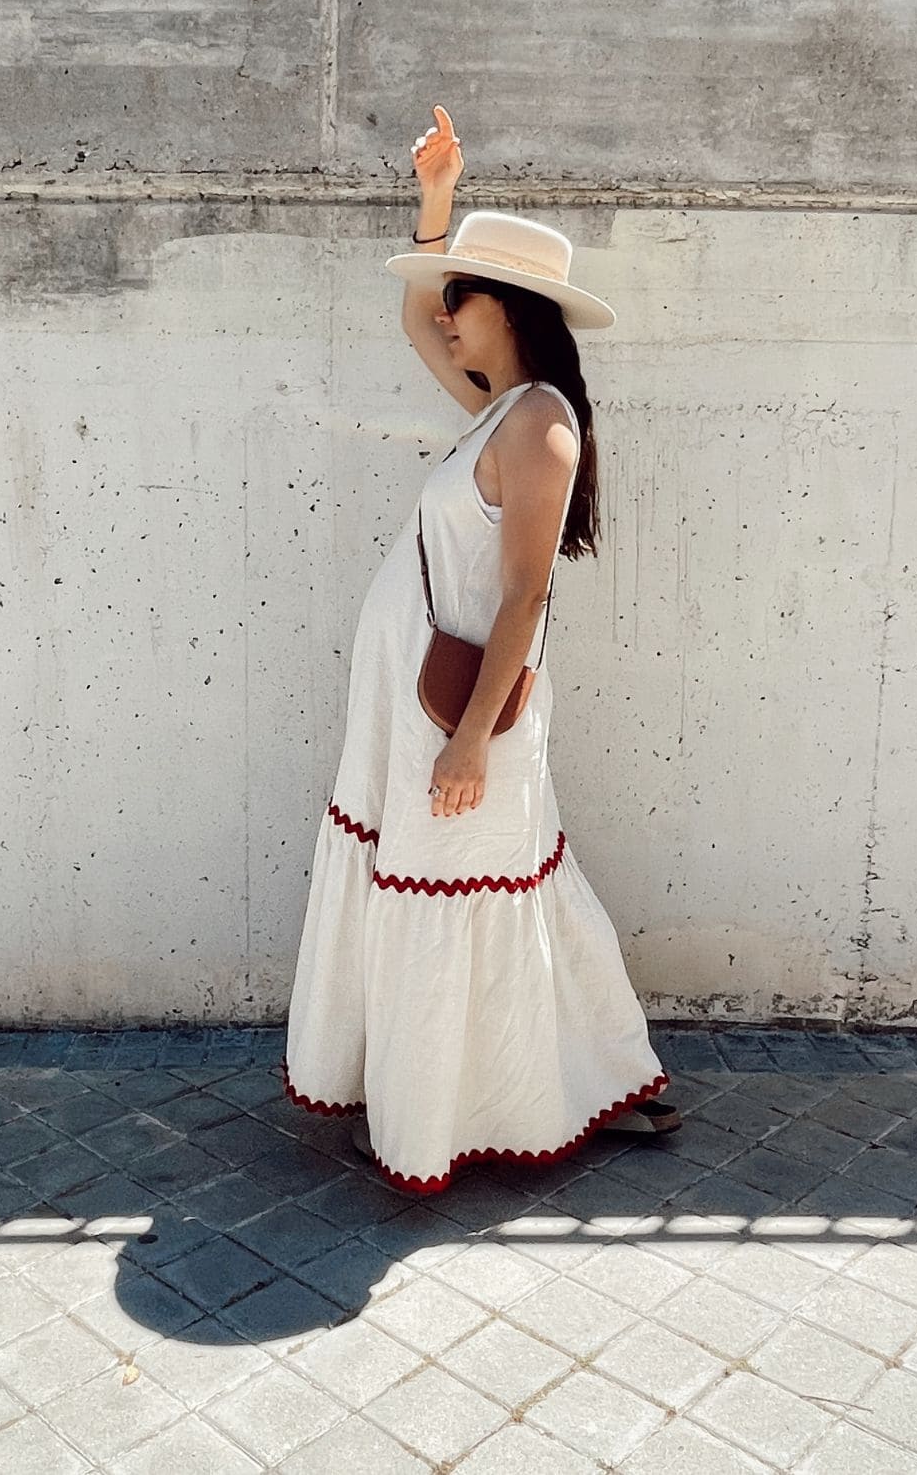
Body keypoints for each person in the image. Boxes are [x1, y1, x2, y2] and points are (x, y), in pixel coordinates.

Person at [281, 104, 680, 1194]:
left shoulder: (541, 425)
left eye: (462, 296)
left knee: (460, 894)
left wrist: (463, 744)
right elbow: (414, 325)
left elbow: (523, 600)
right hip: (422, 716)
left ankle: (466, 1114)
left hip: (460, 724)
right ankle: (597, 1079)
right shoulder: (496, 408)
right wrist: (437, 207)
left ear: (508, 308)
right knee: (492, 890)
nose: (446, 317)